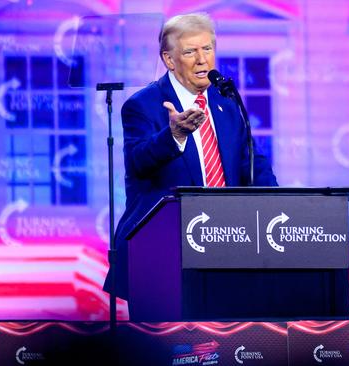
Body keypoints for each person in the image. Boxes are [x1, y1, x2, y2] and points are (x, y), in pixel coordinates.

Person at [103, 12, 277, 302]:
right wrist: (174, 135)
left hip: (228, 245)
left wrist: (278, 206)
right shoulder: (142, 105)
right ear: (169, 60)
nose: (202, 59)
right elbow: (138, 161)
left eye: (207, 49)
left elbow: (251, 161)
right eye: (190, 52)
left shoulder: (226, 101)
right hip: (163, 251)